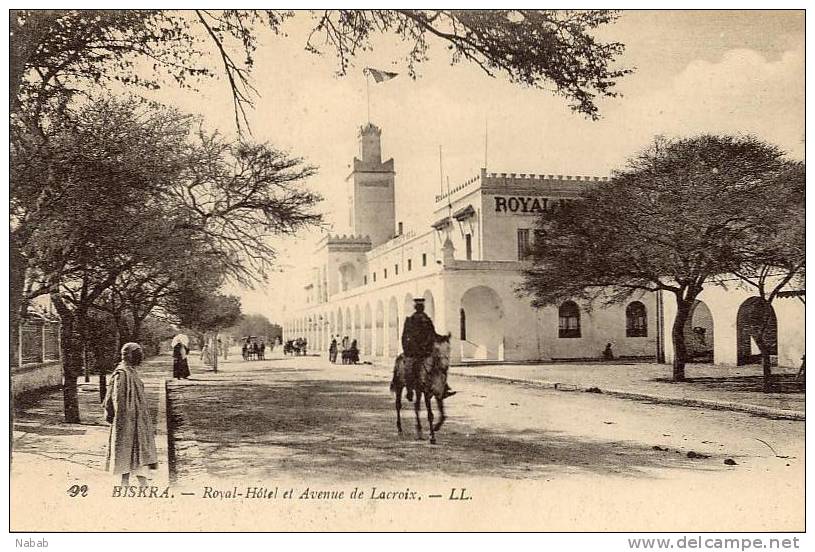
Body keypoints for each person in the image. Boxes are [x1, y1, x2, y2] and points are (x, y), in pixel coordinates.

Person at [103, 342, 158, 487]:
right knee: (125, 449)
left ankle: (141, 482)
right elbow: (115, 397)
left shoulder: (131, 371)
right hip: (126, 419)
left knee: (139, 449)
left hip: (138, 419)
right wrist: (117, 416)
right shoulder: (121, 373)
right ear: (129, 356)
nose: (140, 357)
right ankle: (125, 482)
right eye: (137, 354)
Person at [402, 298, 455, 400]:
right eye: (418, 307)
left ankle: (443, 388)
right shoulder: (410, 320)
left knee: (440, 366)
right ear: (415, 308)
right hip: (414, 351)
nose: (420, 308)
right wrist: (407, 350)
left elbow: (433, 334)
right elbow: (405, 336)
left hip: (427, 350)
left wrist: (444, 338)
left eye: (422, 307)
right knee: (409, 367)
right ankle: (409, 390)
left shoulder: (427, 320)